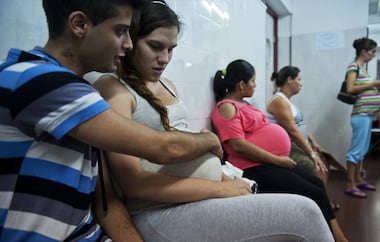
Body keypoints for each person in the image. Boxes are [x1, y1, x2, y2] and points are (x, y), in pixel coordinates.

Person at [92, 1, 335, 241]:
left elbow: (186, 148)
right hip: (159, 210)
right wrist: (221, 188)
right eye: (155, 47)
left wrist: (227, 180)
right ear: (131, 41)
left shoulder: (167, 84)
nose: (165, 59)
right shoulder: (115, 90)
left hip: (200, 193)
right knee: (305, 213)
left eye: (171, 49)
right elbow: (134, 183)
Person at [0, 1, 224, 241]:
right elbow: (163, 148)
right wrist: (209, 139)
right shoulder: (37, 80)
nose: (128, 44)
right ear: (79, 25)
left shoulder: (80, 93)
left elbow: (106, 202)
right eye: (120, 31)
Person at [211, 59, 348, 242]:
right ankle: (333, 237)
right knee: (312, 193)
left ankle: (335, 235)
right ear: (241, 85)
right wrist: (278, 160)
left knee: (317, 185)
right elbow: (238, 145)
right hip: (253, 167)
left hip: (269, 162)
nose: (255, 84)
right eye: (252, 81)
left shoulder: (245, 104)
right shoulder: (226, 107)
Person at [266, 66, 340, 211]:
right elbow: (293, 131)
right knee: (317, 167)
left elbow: (301, 125)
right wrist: (311, 154)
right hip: (287, 148)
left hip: (297, 145)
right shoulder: (279, 101)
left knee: (324, 160)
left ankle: (323, 202)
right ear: (289, 80)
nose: (301, 83)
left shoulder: (288, 101)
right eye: (299, 79)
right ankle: (321, 207)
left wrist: (314, 143)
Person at [343, 37, 380, 199]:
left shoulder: (362, 68)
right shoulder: (353, 67)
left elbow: (364, 88)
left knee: (361, 151)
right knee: (355, 152)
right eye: (372, 51)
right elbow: (350, 88)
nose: (374, 55)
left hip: (367, 115)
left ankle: (358, 179)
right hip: (360, 115)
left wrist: (379, 87)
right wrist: (374, 83)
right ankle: (350, 184)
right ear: (363, 51)